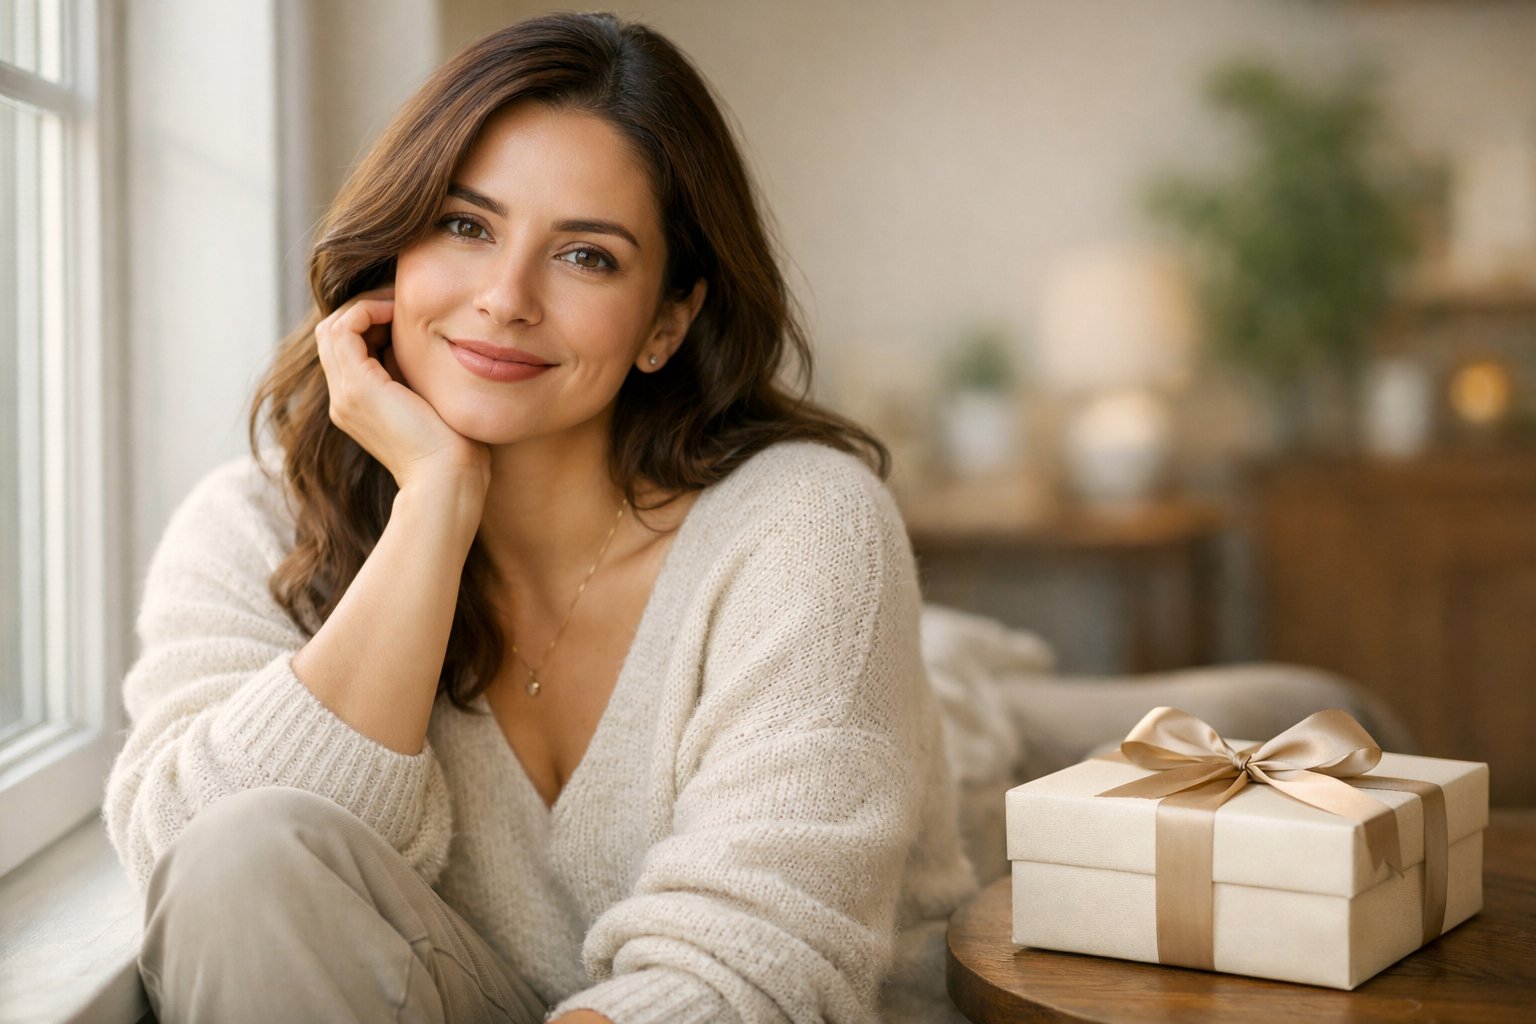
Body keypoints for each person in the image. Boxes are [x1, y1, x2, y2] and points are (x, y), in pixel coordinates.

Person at [104, 12, 977, 1023]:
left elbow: (752, 973)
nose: (507, 297)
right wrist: (435, 503)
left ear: (667, 321)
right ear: (395, 248)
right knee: (245, 848)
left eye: (588, 258)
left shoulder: (806, 525)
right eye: (466, 225)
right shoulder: (252, 527)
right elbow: (204, 885)